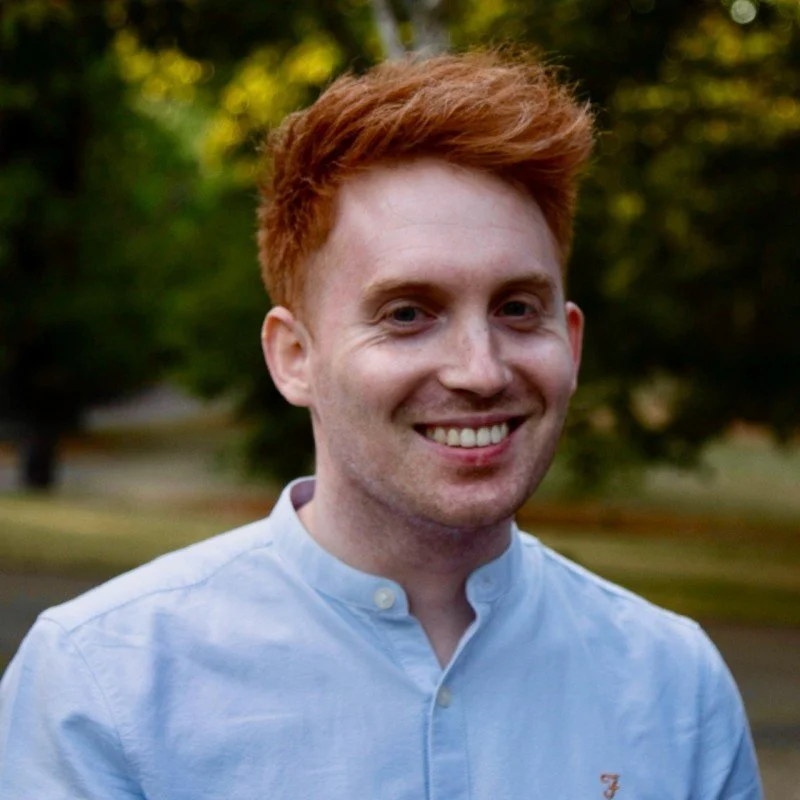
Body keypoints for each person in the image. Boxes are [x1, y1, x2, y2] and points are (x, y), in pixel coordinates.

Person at [0, 51, 762, 799]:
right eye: (407, 314)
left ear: (571, 340)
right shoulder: (104, 688)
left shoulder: (674, 689)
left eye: (516, 309)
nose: (481, 369)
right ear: (294, 357)